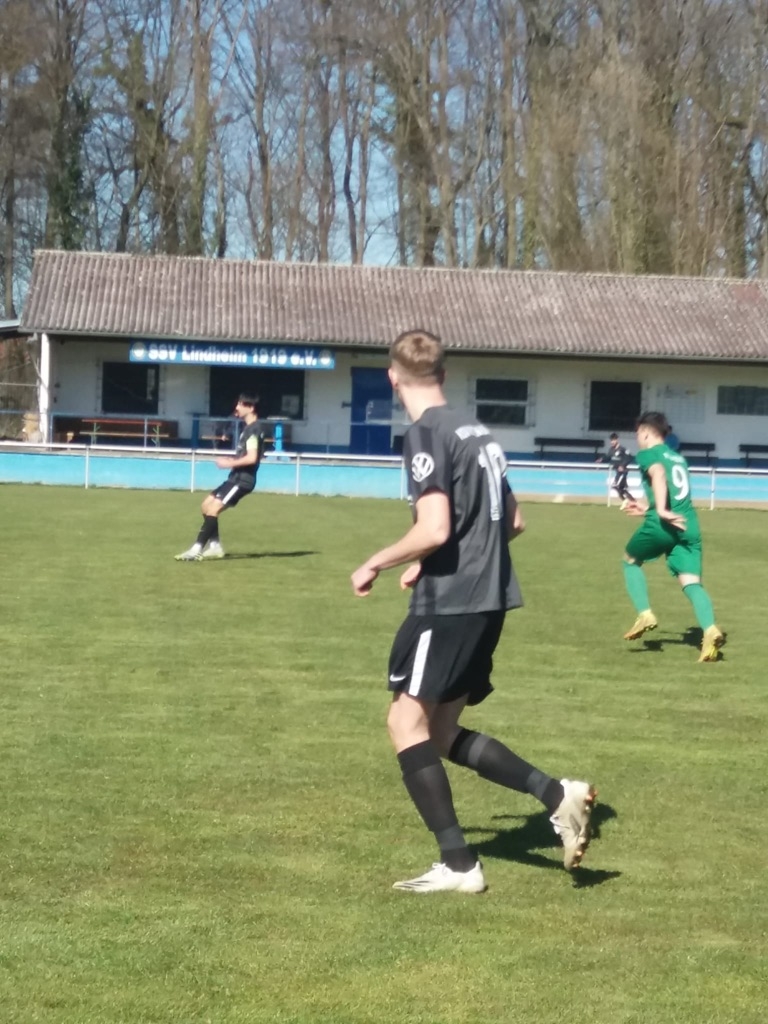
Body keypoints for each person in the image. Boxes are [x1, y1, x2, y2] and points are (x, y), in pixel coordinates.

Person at [350, 329, 595, 894]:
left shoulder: (426, 433)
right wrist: (429, 561)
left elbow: (435, 526)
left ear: (392, 377)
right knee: (439, 731)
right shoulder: (476, 430)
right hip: (490, 600)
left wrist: (377, 562)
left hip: (451, 604)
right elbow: (514, 521)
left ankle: (459, 864)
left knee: (404, 723)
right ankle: (558, 794)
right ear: (443, 374)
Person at [622, 411, 724, 662]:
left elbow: (658, 474)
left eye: (637, 434)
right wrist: (646, 507)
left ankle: (645, 613)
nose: (637, 439)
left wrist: (659, 510)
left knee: (630, 561)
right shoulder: (678, 459)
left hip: (664, 524)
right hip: (688, 526)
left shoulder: (648, 454)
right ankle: (710, 630)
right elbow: (676, 494)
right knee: (691, 583)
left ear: (645, 432)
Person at [175, 394, 264, 561]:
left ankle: (196, 549)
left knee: (213, 509)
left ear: (251, 407)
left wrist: (229, 463)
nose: (236, 407)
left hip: (242, 480)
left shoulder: (253, 430)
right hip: (235, 477)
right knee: (206, 505)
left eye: (241, 404)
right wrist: (232, 460)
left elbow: (252, 458)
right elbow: (248, 455)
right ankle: (215, 546)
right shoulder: (248, 429)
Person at [599, 432, 635, 509]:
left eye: (613, 440)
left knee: (616, 486)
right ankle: (632, 501)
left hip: (623, 472)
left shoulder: (622, 449)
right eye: (611, 440)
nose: (612, 442)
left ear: (617, 440)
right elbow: (608, 457)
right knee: (621, 488)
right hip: (617, 472)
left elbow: (630, 458)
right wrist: (601, 459)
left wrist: (622, 465)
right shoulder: (611, 450)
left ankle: (626, 501)